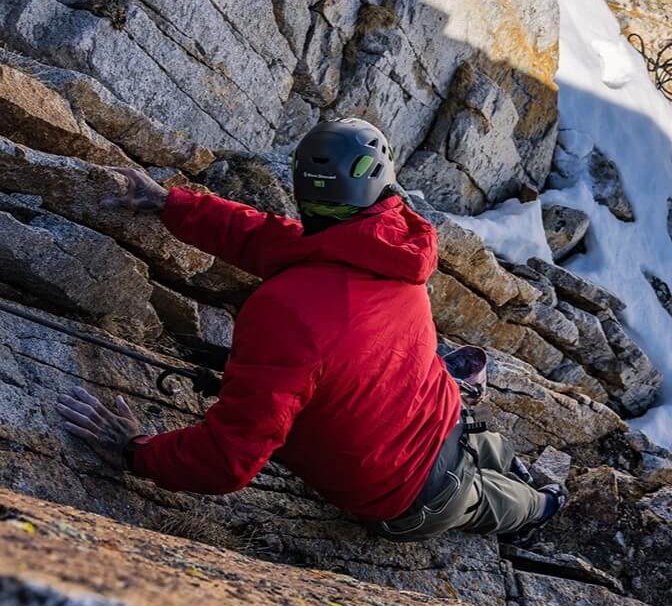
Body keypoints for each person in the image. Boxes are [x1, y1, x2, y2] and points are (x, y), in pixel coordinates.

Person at [56, 118, 567, 542]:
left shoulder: (289, 307)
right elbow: (267, 239)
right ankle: (535, 498)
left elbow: (228, 460)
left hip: (412, 489)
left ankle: (541, 506)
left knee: (513, 495)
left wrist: (134, 451)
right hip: (429, 453)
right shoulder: (392, 250)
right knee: (499, 485)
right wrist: (173, 205)